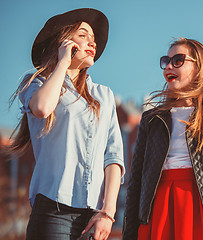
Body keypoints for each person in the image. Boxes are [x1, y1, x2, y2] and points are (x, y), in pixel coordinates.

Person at [8, 8, 125, 240]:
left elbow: (113, 156)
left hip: (94, 217)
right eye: (83, 35)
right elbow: (42, 108)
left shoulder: (104, 95)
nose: (92, 43)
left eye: (94, 39)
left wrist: (108, 213)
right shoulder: (35, 83)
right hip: (53, 212)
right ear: (64, 42)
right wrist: (63, 62)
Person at [122, 38, 203, 240]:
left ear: (197, 68)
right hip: (159, 212)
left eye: (178, 60)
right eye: (166, 60)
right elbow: (136, 184)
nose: (168, 66)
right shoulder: (151, 120)